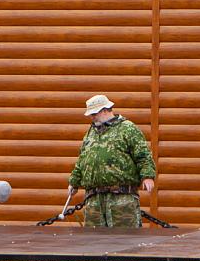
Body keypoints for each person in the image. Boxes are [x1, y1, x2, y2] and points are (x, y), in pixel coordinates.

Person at [67, 94, 156, 228]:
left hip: (121, 198)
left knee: (125, 238)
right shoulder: (91, 132)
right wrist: (74, 182)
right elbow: (83, 159)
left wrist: (148, 176)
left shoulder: (127, 129)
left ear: (104, 110)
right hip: (95, 200)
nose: (92, 117)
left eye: (94, 114)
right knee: (93, 241)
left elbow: (143, 155)